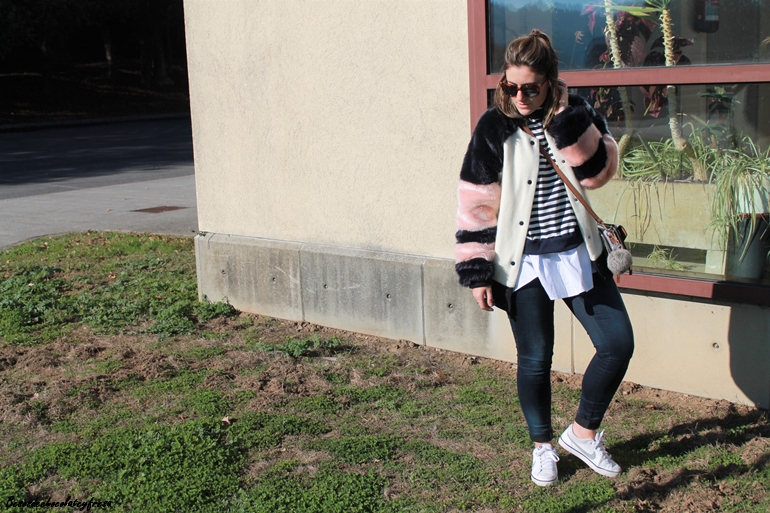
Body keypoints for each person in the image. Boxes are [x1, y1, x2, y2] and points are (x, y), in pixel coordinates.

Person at [454, 29, 634, 487]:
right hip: (523, 264)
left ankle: (583, 434)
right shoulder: (494, 126)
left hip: (579, 252)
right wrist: (478, 269)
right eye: (510, 87)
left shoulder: (576, 112)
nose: (519, 97)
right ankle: (542, 447)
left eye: (530, 88)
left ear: (550, 82)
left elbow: (599, 174)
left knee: (617, 343)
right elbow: (476, 201)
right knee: (535, 359)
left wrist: (568, 124)